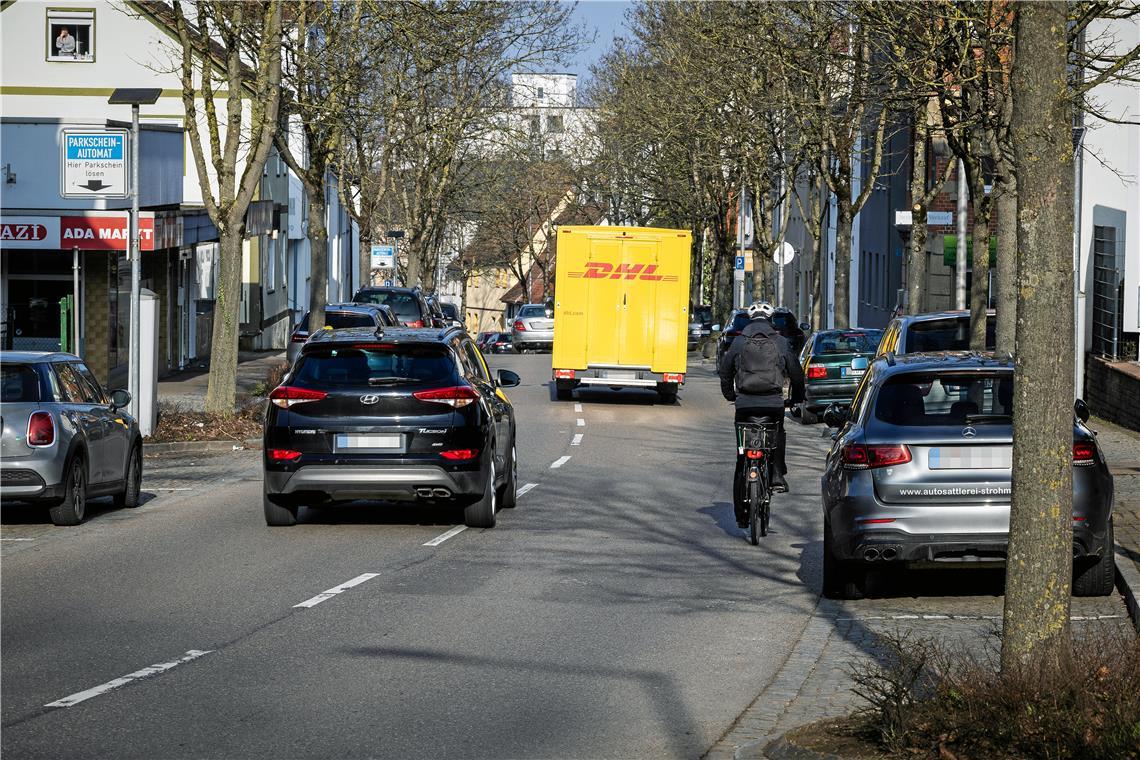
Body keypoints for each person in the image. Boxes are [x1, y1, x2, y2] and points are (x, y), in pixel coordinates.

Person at [719, 301, 805, 528]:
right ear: (770, 320)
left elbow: (725, 371)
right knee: (777, 433)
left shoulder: (738, 342)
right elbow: (797, 374)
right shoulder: (780, 342)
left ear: (749, 319)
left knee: (741, 458)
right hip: (772, 405)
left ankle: (740, 514)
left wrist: (731, 395)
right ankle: (776, 475)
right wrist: (796, 398)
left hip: (744, 406)